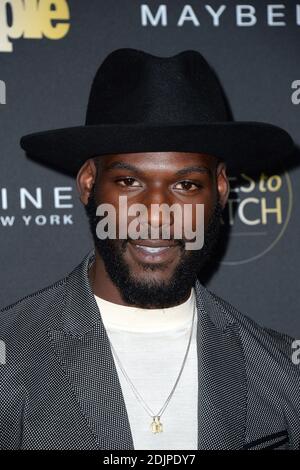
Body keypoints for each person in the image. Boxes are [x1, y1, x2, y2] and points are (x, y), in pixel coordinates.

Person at [0, 48, 299, 450]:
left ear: (221, 189)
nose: (157, 215)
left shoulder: (281, 371)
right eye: (128, 183)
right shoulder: (11, 358)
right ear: (89, 183)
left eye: (186, 185)